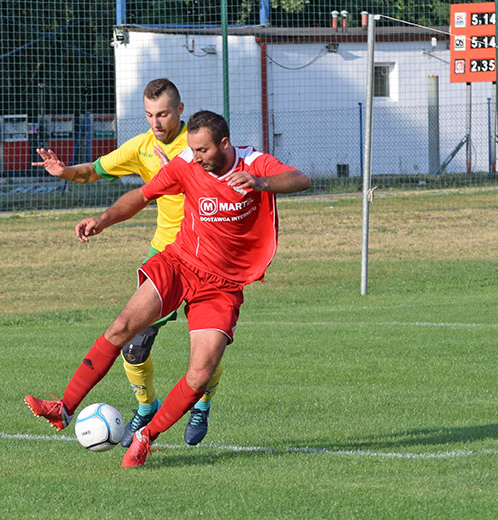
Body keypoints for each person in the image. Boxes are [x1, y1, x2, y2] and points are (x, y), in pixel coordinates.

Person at [25, 110, 310, 467]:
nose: (196, 157)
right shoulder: (186, 163)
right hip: (179, 264)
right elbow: (142, 195)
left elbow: (300, 179)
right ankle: (63, 407)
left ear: (224, 144)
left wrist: (260, 182)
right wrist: (103, 220)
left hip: (222, 286)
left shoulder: (253, 162)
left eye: (203, 150)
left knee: (200, 374)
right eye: (193, 149)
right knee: (123, 327)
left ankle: (146, 437)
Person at [32, 78, 223, 447]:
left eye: (163, 114)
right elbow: (96, 170)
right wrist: (64, 172)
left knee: (205, 352)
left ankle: (202, 404)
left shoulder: (201, 143)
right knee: (133, 345)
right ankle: (146, 406)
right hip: (166, 256)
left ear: (180, 111)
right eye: (149, 114)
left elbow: (227, 185)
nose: (156, 122)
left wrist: (187, 172)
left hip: (210, 258)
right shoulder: (142, 147)